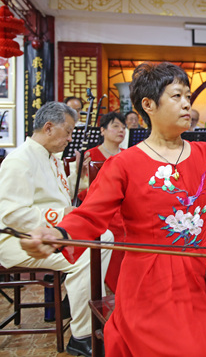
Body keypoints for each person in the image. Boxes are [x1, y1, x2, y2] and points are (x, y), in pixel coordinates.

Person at [19, 62, 206, 356]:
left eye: (188, 96)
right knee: (185, 347)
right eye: (176, 96)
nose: (186, 104)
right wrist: (57, 234)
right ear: (148, 105)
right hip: (150, 279)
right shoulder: (123, 165)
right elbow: (90, 215)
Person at [0, 102, 113, 356]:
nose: (70, 139)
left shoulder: (50, 157)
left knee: (102, 237)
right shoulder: (19, 159)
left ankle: (77, 302)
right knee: (90, 252)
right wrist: (62, 216)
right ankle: (82, 336)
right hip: (21, 240)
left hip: (50, 234)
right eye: (68, 132)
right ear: (48, 128)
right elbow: (12, 214)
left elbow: (58, 195)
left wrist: (79, 175)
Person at [78, 112, 126, 293]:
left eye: (123, 127)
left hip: (123, 204)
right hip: (100, 206)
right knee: (117, 230)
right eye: (115, 126)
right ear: (102, 130)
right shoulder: (90, 155)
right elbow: (81, 187)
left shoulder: (127, 154)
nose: (121, 130)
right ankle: (117, 284)